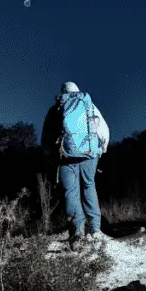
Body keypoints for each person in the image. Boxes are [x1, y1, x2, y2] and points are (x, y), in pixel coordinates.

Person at [42, 81, 110, 246]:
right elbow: (103, 129)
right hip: (89, 154)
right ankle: (95, 229)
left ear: (62, 92)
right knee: (89, 186)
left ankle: (77, 232)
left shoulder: (55, 109)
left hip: (66, 156)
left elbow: (46, 139)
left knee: (71, 192)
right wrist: (102, 148)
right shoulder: (88, 104)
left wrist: (50, 156)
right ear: (78, 91)